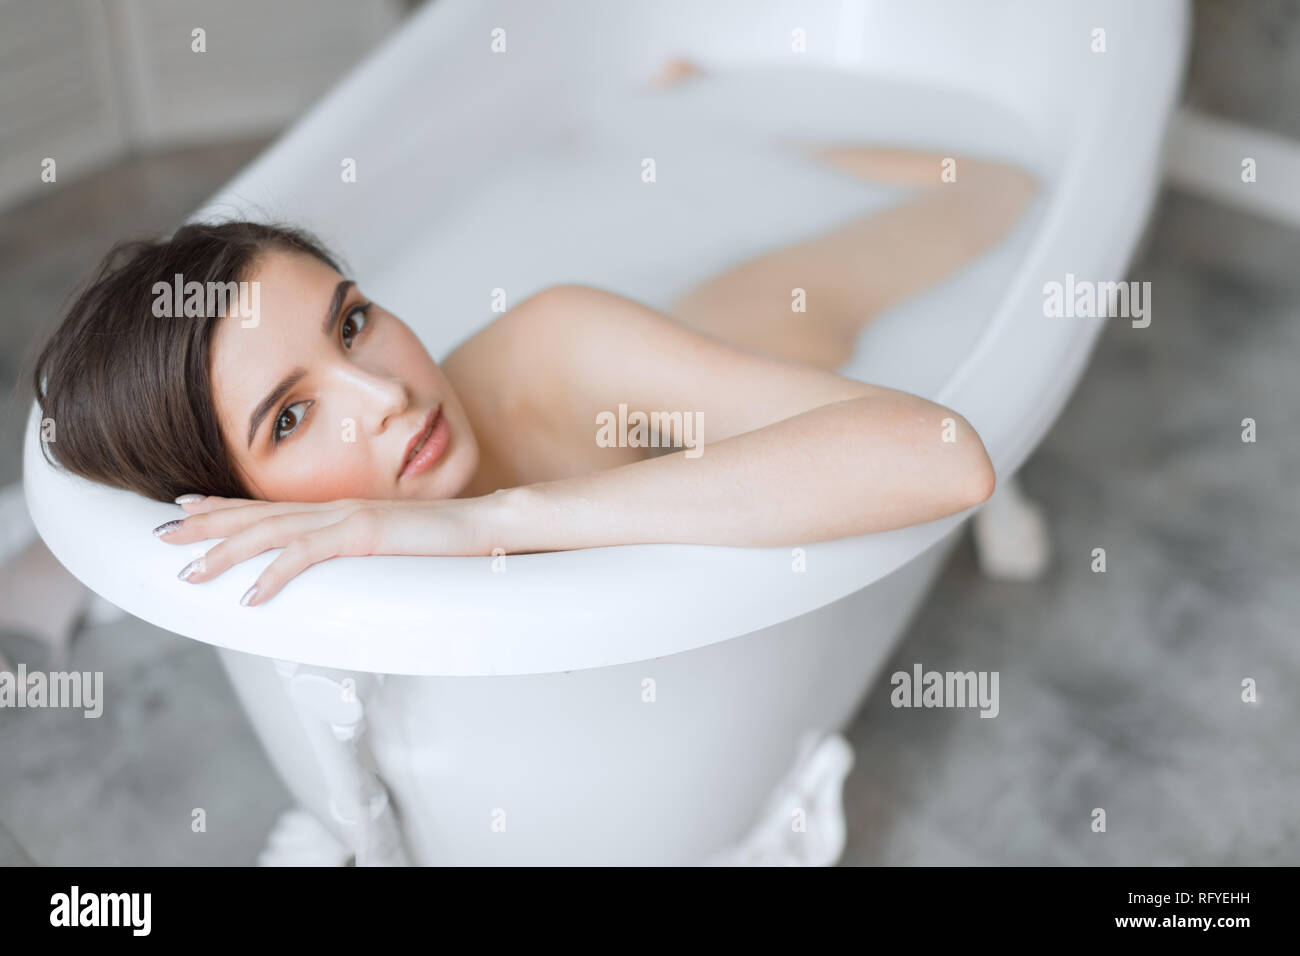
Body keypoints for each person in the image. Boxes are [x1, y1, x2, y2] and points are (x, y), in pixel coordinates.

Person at [29, 61, 1039, 607]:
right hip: (699, 363)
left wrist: (490, 519)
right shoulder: (291, 554)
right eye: (291, 416)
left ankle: (700, 113)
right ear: (229, 501)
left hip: (795, 321)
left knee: (997, 187)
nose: (386, 397)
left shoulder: (556, 345)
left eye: (353, 322)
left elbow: (942, 458)